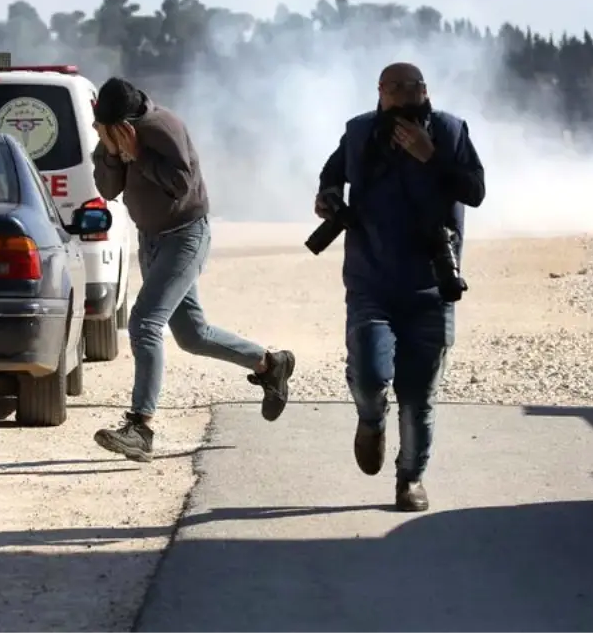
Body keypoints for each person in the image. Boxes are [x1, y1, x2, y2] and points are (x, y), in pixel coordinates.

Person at [90, 77, 296, 462]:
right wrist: (113, 154)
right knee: (192, 335)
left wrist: (139, 154)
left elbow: (182, 185)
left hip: (185, 236)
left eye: (110, 129)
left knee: (145, 323)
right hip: (151, 240)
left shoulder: (163, 128)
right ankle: (270, 364)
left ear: (128, 122)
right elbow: (108, 189)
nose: (105, 134)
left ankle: (141, 428)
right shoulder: (112, 135)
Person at [315, 62, 485, 512]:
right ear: (381, 92)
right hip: (370, 280)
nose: (406, 95)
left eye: (414, 87)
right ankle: (370, 419)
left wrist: (432, 157)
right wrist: (328, 198)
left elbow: (475, 191)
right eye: (395, 88)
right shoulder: (359, 133)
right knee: (370, 375)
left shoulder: (450, 132)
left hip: (433, 284)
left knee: (418, 398)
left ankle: (410, 479)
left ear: (425, 90)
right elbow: (331, 175)